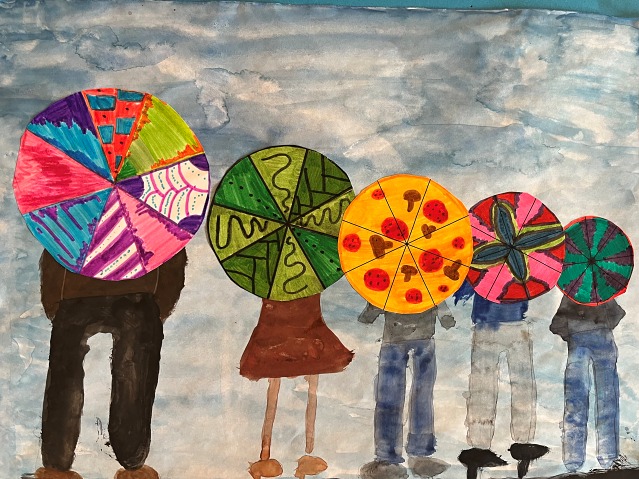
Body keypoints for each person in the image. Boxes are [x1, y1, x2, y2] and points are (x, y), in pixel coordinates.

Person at [35, 248, 187, 479]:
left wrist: (54, 300)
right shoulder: (147, 221)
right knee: (134, 375)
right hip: (139, 289)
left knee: (64, 375)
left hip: (74, 289)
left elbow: (56, 244)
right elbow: (172, 247)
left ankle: (56, 465)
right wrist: (161, 304)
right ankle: (133, 462)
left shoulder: (76, 221)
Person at [239, 294, 353, 479]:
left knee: (278, 384)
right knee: (309, 383)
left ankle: (268, 449)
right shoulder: (311, 280)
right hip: (303, 330)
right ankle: (305, 448)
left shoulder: (271, 282)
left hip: (278, 330)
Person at [454, 280, 547, 479]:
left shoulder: (480, 266)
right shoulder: (523, 266)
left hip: (486, 324)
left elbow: (463, 292)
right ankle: (523, 443)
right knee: (522, 385)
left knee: (482, 387)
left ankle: (479, 447)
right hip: (514, 324)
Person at [358, 301, 455, 479]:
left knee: (393, 397)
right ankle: (412, 454)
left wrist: (369, 314)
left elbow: (379, 296)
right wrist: (445, 316)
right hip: (417, 336)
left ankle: (392, 456)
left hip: (400, 338)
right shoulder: (428, 283)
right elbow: (436, 293)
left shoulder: (394, 283)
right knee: (416, 395)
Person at [550, 295, 625, 472]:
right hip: (604, 342)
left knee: (575, 401)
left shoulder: (571, 295)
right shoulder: (602, 293)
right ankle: (608, 455)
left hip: (578, 345)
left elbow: (556, 325)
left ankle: (573, 458)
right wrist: (602, 326)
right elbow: (617, 314)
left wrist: (573, 333)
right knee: (607, 400)